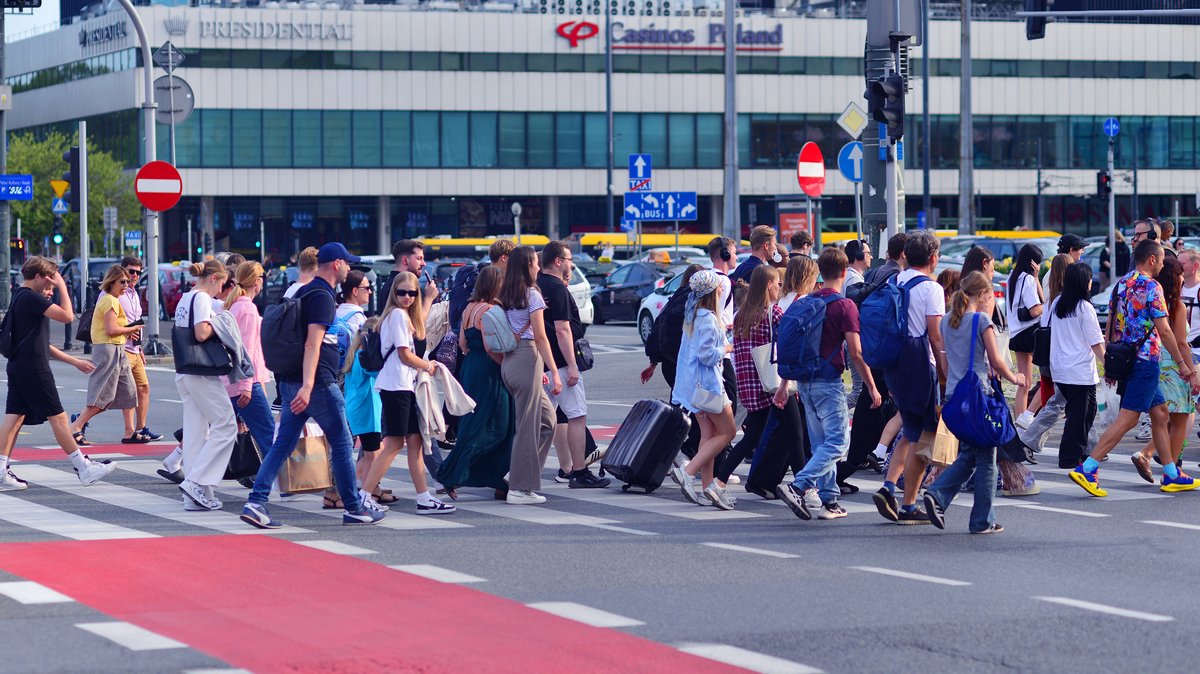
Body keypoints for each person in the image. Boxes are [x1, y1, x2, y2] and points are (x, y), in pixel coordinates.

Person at [241, 243, 387, 528]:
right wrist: (308, 386)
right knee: (342, 442)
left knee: (283, 444)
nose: (349, 268)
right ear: (336, 264)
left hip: (293, 380)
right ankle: (354, 507)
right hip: (317, 384)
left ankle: (256, 503)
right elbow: (312, 344)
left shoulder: (304, 291)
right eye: (347, 263)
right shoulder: (321, 296)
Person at [1070, 239, 1200, 497]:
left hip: (1126, 359)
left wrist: (1109, 362)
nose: (1162, 264)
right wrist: (1182, 364)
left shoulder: (1121, 284)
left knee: (1161, 414)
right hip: (1146, 360)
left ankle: (1171, 473)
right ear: (1151, 259)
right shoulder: (1152, 286)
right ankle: (1089, 467)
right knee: (1128, 419)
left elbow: (1111, 323)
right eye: (1160, 259)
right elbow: (1165, 330)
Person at [776, 248, 881, 521]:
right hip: (828, 382)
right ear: (844, 271)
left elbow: (794, 347)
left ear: (821, 272)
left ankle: (830, 501)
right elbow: (856, 352)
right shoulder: (844, 306)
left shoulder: (807, 302)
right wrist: (871, 385)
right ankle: (798, 486)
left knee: (821, 443)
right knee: (837, 443)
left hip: (804, 382)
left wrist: (783, 385)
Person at [922, 272, 1026, 534]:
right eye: (989, 296)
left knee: (970, 454)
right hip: (978, 397)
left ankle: (938, 496)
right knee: (988, 460)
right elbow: (997, 360)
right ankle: (980, 520)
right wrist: (1017, 378)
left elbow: (946, 363)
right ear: (982, 295)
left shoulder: (947, 321)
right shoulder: (981, 321)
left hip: (955, 398)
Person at [0, 257, 113, 491]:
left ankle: (1, 471)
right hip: (34, 367)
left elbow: (41, 343)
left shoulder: (19, 297)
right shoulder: (31, 298)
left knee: (14, 420)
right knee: (59, 418)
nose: (50, 289)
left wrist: (73, 361)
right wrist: (62, 284)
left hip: (20, 365)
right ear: (39, 277)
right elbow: (68, 317)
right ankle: (83, 468)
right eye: (49, 282)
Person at [356, 270, 456, 514]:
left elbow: (416, 337)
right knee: (394, 444)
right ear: (394, 293)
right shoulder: (398, 316)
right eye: (402, 293)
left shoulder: (401, 316)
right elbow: (404, 354)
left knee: (415, 442)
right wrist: (428, 366)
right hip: (397, 386)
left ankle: (423, 497)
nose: (407, 297)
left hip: (402, 385)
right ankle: (365, 495)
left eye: (412, 293)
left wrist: (427, 300)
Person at [873, 231, 946, 525]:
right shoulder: (931, 288)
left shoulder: (896, 280)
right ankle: (908, 505)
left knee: (910, 427)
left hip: (894, 361)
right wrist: (946, 372)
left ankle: (889, 487)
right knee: (924, 434)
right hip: (920, 362)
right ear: (932, 258)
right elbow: (936, 335)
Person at [437, 266, 514, 498]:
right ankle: (455, 473)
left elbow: (462, 343)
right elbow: (492, 347)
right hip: (489, 369)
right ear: (495, 285)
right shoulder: (489, 310)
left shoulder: (469, 308)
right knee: (500, 425)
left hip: (471, 367)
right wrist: (505, 366)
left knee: (474, 422)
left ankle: (490, 478)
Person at [537, 241, 608, 489]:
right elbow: (562, 330)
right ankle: (579, 471)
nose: (572, 264)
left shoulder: (536, 285)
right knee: (577, 415)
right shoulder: (556, 288)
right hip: (560, 363)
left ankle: (524, 471)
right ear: (558, 261)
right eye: (569, 260)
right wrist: (572, 365)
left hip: (541, 363)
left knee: (543, 421)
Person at [172, 261, 239, 511]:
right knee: (226, 424)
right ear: (213, 278)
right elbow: (201, 333)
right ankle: (196, 483)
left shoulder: (185, 298)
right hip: (201, 372)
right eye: (221, 283)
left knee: (195, 434)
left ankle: (195, 495)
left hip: (185, 370)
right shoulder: (201, 298)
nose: (221, 289)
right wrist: (219, 323)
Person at [669, 270, 737, 509]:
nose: (722, 289)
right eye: (719, 286)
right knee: (728, 432)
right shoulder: (708, 318)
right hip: (709, 385)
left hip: (694, 387)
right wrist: (726, 348)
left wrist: (723, 333)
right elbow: (707, 355)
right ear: (712, 292)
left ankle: (707, 486)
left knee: (708, 435)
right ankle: (688, 472)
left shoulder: (694, 314)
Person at [498, 246, 561, 505]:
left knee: (548, 422)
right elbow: (541, 337)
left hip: (510, 360)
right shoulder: (532, 294)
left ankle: (518, 472)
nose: (538, 266)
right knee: (528, 425)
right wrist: (554, 371)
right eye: (535, 262)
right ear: (527, 265)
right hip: (527, 357)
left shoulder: (505, 293)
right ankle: (519, 488)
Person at [1132, 257, 1195, 482]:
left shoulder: (1150, 300)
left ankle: (1148, 455)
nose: (1182, 279)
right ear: (1174, 278)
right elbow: (1181, 343)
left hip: (1154, 362)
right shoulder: (1176, 305)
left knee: (1163, 418)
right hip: (1174, 366)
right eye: (1179, 275)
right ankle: (1172, 472)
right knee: (1180, 420)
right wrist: (1191, 371)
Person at [1042, 263, 1106, 470]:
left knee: (1079, 413)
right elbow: (1095, 342)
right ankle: (1070, 457)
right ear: (1084, 282)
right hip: (1080, 371)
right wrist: (1108, 365)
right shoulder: (1084, 307)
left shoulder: (1058, 302)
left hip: (1060, 369)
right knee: (1081, 416)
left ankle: (1079, 452)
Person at [69, 265, 142, 446]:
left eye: (127, 282)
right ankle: (76, 426)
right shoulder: (110, 300)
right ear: (111, 282)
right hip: (108, 349)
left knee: (129, 392)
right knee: (103, 394)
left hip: (118, 348)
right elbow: (111, 329)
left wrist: (127, 332)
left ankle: (129, 432)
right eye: (122, 282)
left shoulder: (113, 300)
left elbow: (114, 329)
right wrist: (131, 329)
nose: (126, 285)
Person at [218, 261, 278, 475]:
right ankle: (277, 481)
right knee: (268, 434)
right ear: (257, 281)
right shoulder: (248, 309)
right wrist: (247, 385)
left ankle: (198, 475)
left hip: (231, 380)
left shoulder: (234, 305)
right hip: (245, 382)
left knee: (219, 433)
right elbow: (246, 350)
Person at [116, 256, 161, 443]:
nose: (134, 275)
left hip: (134, 349)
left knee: (143, 388)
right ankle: (80, 420)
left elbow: (136, 323)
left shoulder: (134, 294)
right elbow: (108, 321)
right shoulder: (116, 293)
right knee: (114, 394)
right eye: (131, 271)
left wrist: (140, 347)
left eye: (138, 272)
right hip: (120, 348)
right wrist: (126, 333)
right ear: (122, 270)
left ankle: (141, 428)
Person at [1008, 243, 1045, 423]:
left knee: (1023, 382)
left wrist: (1036, 276)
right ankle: (1023, 420)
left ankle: (1019, 421)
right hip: (1028, 333)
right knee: (1032, 381)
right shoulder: (1027, 280)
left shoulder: (1012, 277)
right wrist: (1047, 306)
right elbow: (1035, 310)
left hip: (1016, 333)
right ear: (1033, 263)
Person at [383, 239, 438, 317]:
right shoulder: (399, 286)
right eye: (419, 258)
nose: (424, 264)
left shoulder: (391, 284)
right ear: (405, 260)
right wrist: (428, 298)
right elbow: (413, 322)